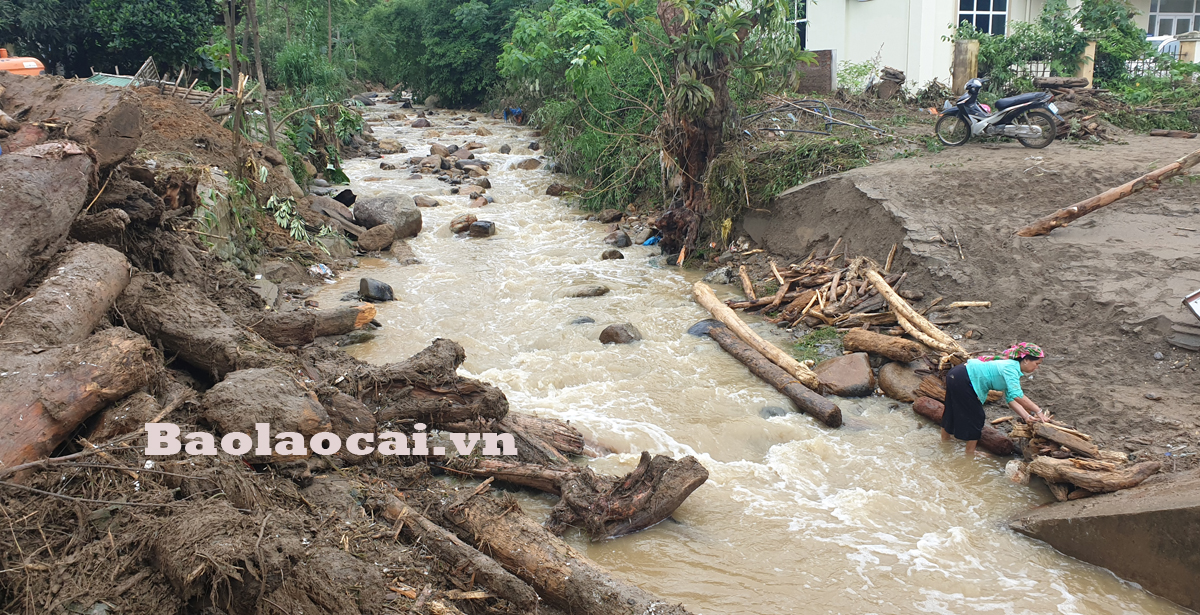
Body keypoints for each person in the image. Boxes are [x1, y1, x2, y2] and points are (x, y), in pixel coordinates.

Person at [941, 342, 1049, 456]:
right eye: (1037, 363)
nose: (1037, 367)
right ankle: (970, 454)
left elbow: (1012, 398)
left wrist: (1027, 417)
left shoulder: (1011, 367)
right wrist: (1038, 411)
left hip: (956, 374)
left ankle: (945, 442)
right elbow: (1017, 394)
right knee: (977, 416)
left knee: (951, 410)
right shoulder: (1010, 368)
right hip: (964, 379)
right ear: (1026, 360)